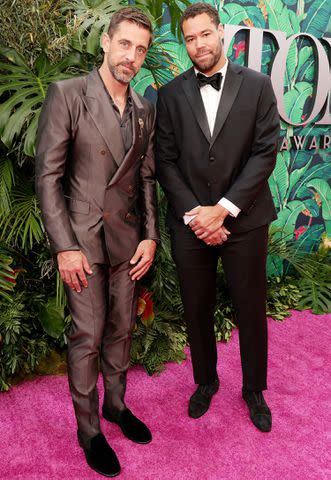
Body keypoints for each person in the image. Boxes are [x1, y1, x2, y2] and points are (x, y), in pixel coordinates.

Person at [36, 7, 159, 477]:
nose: (132, 56)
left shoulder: (145, 109)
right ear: (105, 43)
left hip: (128, 244)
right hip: (83, 244)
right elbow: (48, 177)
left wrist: (150, 237)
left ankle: (115, 406)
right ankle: (89, 430)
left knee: (122, 330)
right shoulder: (67, 94)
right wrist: (64, 246)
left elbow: (146, 181)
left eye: (141, 49)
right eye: (124, 44)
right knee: (87, 336)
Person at [156, 3, 279, 433]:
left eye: (204, 35)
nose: (198, 45)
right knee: (197, 307)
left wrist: (223, 209)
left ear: (221, 33)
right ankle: (205, 382)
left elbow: (265, 152)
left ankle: (253, 389)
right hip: (191, 223)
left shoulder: (259, 86)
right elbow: (165, 161)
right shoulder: (170, 95)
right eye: (189, 38)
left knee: (250, 307)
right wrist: (197, 215)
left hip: (244, 220)